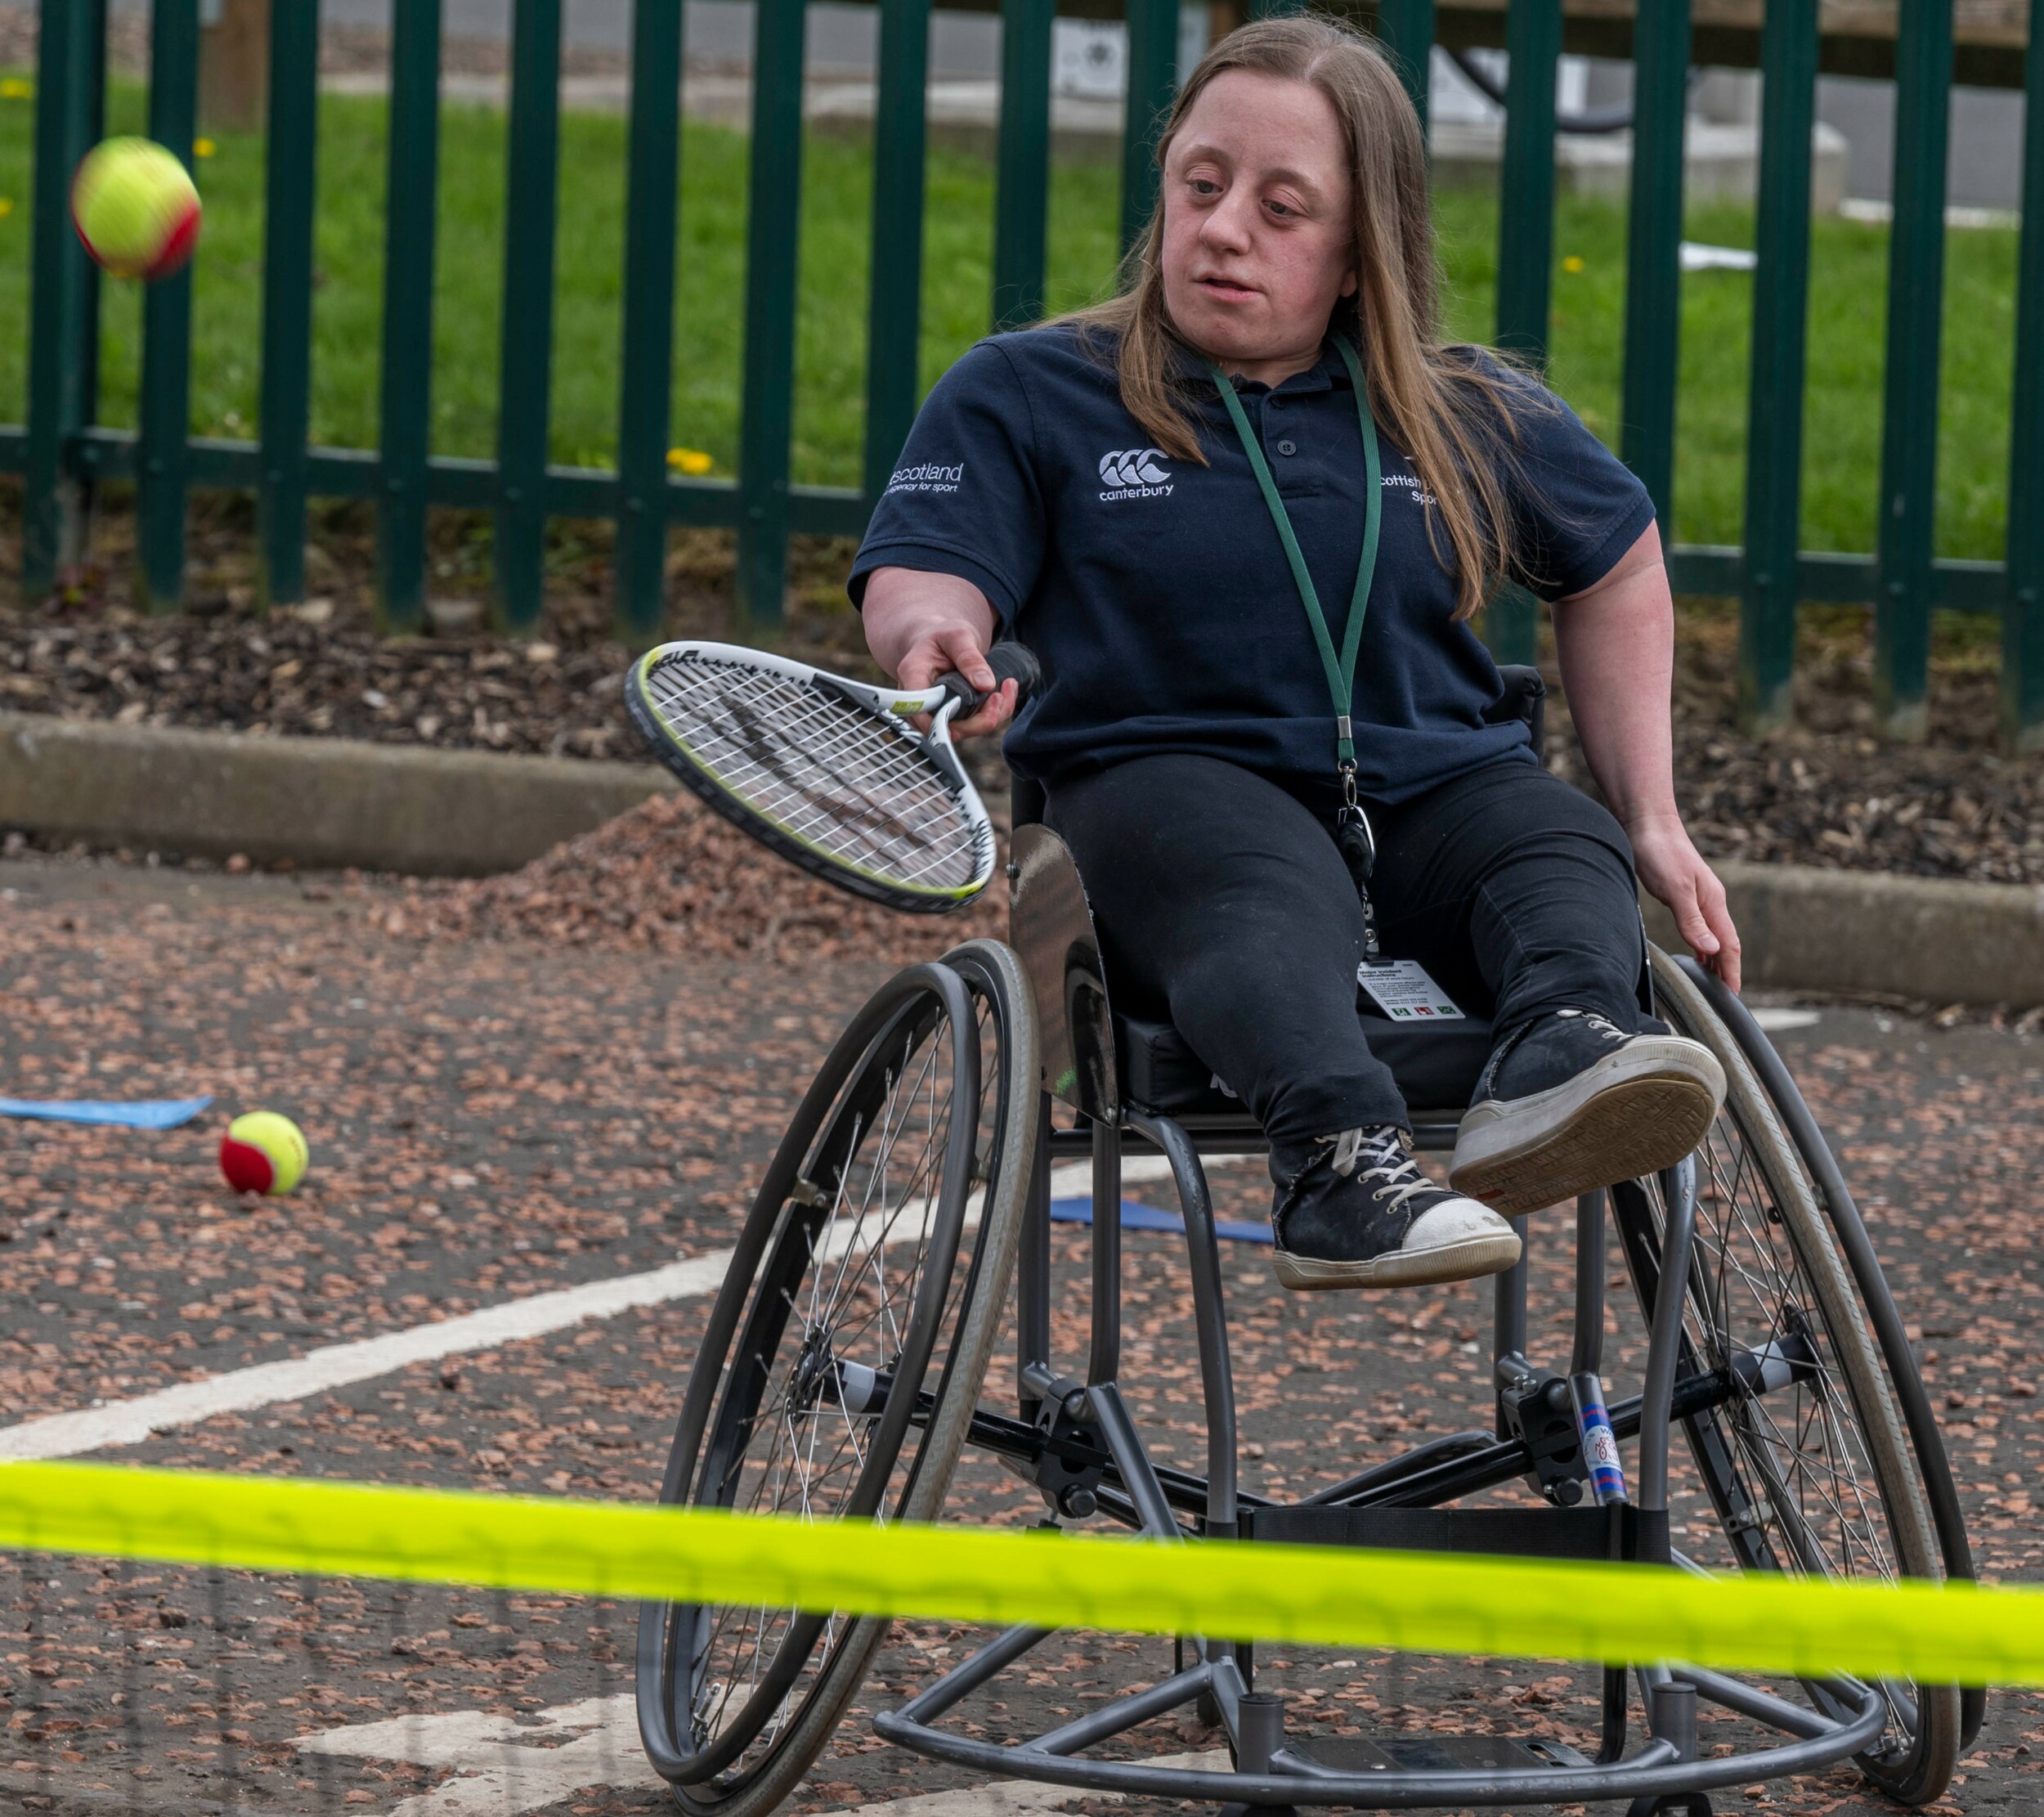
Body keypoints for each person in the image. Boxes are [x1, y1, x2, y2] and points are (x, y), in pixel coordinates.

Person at [850, 14, 1741, 1292]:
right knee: (1256, 881)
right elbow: (926, 564)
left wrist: (1650, 815)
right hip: (1168, 791)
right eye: (1201, 188)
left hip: (1431, 791)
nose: (1222, 230)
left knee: (1560, 842)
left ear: (1361, 254)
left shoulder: (1465, 410)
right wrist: (936, 628)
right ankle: (1338, 1162)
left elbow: (1618, 559)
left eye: (1282, 208)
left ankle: (1562, 1056)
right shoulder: (1031, 390)